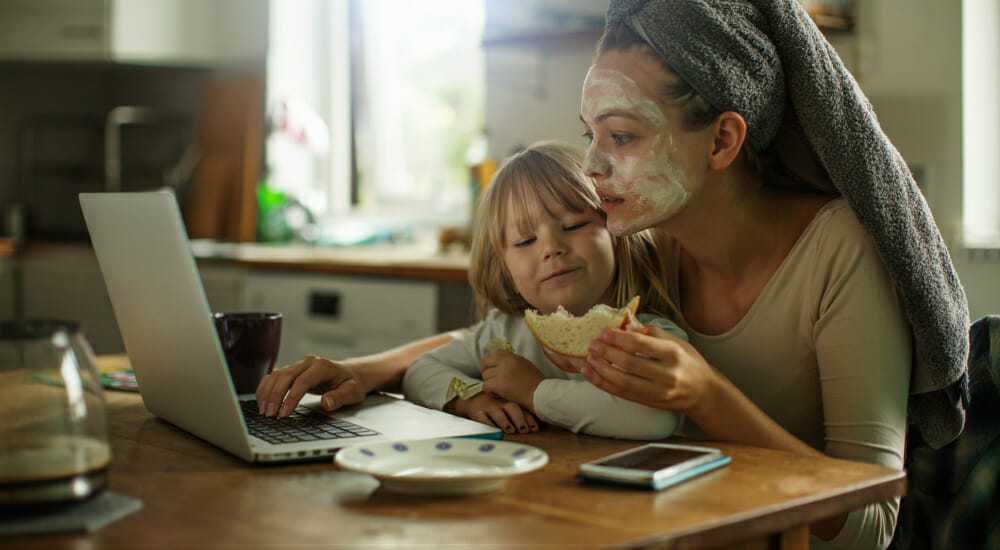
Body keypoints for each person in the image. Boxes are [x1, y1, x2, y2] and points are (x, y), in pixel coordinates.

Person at [257, 2, 970, 547]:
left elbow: (873, 521)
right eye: (589, 133)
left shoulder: (838, 252)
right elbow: (501, 339)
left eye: (622, 136)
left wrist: (709, 394)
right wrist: (364, 369)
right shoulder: (644, 244)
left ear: (723, 139)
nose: (592, 167)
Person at [401, 141, 685, 439]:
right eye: (525, 241)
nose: (551, 248)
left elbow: (654, 418)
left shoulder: (647, 336)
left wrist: (533, 391)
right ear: (505, 269)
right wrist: (472, 399)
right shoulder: (504, 334)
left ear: (615, 232)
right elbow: (421, 371)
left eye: (574, 225)